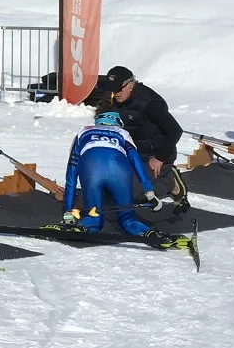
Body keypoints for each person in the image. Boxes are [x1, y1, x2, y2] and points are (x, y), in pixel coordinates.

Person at [62, 110, 178, 248]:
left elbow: (71, 174)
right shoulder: (123, 133)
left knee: (93, 218)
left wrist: (68, 212)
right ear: (118, 124)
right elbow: (137, 163)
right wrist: (149, 192)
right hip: (119, 169)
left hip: (91, 167)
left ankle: (81, 227)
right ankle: (150, 234)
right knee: (127, 220)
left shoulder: (83, 132)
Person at [105, 65, 189, 209]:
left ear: (130, 85)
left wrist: (160, 158)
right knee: (111, 186)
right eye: (113, 89)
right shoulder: (117, 101)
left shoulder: (150, 103)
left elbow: (175, 131)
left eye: (119, 89)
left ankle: (170, 181)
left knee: (133, 193)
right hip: (136, 154)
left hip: (157, 156)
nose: (116, 93)